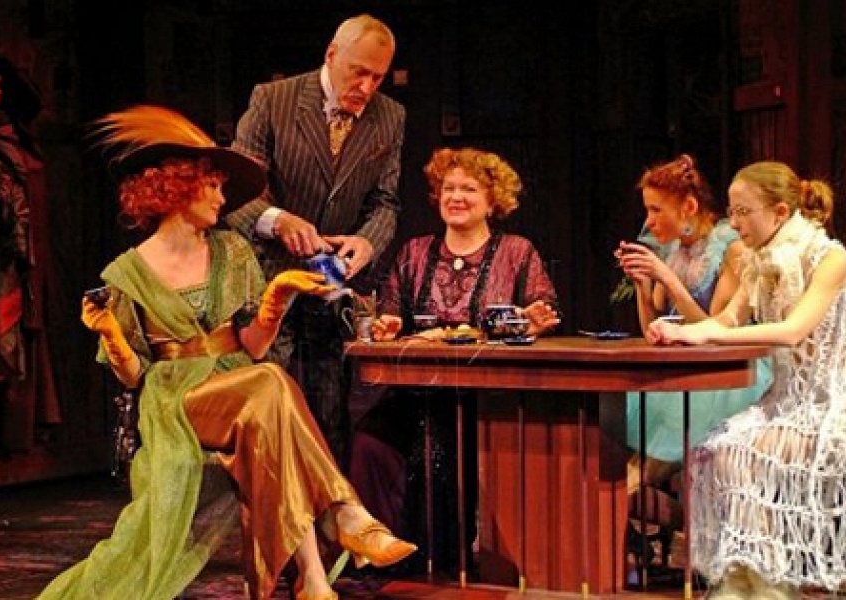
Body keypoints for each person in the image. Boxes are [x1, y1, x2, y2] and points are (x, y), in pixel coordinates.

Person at [37, 105, 414, 600]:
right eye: (212, 186)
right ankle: (342, 513)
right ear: (176, 187)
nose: (221, 198)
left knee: (270, 410)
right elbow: (131, 377)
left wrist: (276, 298)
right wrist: (109, 331)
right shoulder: (126, 273)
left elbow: (254, 346)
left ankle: (315, 581)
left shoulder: (231, 251)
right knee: (271, 384)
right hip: (177, 402)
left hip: (241, 384)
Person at [647, 161, 846, 598]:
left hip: (837, 403)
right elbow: (727, 320)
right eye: (732, 212)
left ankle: (770, 587)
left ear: (780, 212)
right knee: (716, 451)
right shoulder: (757, 260)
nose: (735, 224)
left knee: (750, 454)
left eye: (743, 212)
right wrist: (678, 331)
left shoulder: (829, 258)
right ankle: (750, 579)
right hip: (786, 401)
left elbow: (793, 330)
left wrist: (706, 333)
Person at [351, 147, 560, 576]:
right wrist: (388, 326)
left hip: (487, 400)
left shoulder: (516, 252)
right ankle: (381, 557)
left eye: (469, 189)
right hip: (417, 392)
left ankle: (447, 566)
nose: (456, 197)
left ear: (492, 199)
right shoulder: (414, 253)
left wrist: (532, 323)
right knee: (370, 442)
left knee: (441, 448)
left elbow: (542, 311)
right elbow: (390, 312)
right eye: (449, 188)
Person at [225, 14, 404, 468]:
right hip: (271, 276)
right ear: (331, 55)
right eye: (358, 72)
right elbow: (234, 190)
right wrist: (278, 221)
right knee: (272, 400)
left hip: (333, 282)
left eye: (378, 77)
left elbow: (385, 202)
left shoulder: (390, 116)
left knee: (332, 409)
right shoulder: (273, 100)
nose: (366, 87)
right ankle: (271, 504)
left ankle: (330, 506)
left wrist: (366, 242)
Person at [614, 154, 772, 567]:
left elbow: (713, 330)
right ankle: (656, 528)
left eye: (656, 210)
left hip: (725, 374)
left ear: (688, 207)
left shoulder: (729, 249)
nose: (649, 222)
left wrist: (667, 278)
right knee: (625, 453)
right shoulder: (672, 250)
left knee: (643, 465)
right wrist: (643, 286)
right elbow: (655, 325)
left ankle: (693, 533)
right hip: (680, 372)